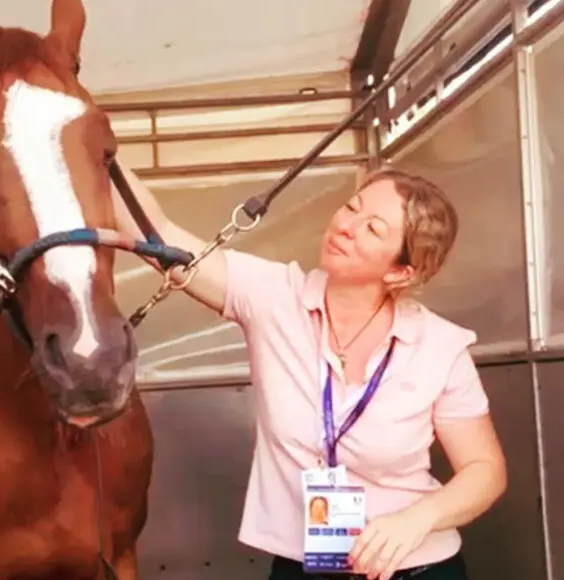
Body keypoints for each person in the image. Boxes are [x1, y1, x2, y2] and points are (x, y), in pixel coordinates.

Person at [112, 164, 507, 580]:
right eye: (351, 208)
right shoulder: (272, 297)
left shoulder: (439, 347)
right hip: (303, 568)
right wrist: (90, 141)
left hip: (417, 568)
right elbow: (156, 233)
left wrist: (418, 520)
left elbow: (485, 469)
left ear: (400, 272)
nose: (346, 226)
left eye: (372, 229)